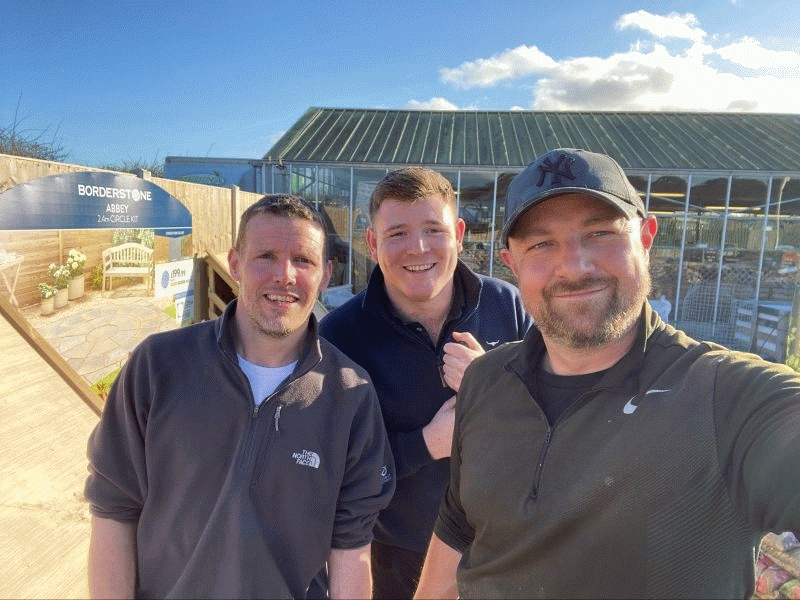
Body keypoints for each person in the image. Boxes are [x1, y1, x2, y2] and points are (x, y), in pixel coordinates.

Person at [415, 148, 800, 599]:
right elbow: (459, 528)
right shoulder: (485, 380)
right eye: (541, 244)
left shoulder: (731, 397)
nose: (575, 266)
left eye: (600, 233)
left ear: (646, 237)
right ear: (511, 262)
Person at [85, 194, 395, 599]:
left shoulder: (350, 396)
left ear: (325, 276)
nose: (284, 275)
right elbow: (113, 510)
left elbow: (352, 551)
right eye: (266, 256)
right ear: (234, 264)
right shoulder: (159, 366)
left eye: (303, 260)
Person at [319, 167, 532, 598]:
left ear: (458, 234)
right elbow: (330, 472)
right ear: (372, 243)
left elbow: (559, 421)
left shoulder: (507, 305)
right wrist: (426, 444)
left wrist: (493, 386)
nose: (418, 248)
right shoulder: (338, 338)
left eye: (434, 229)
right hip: (392, 561)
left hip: (501, 550)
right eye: (397, 233)